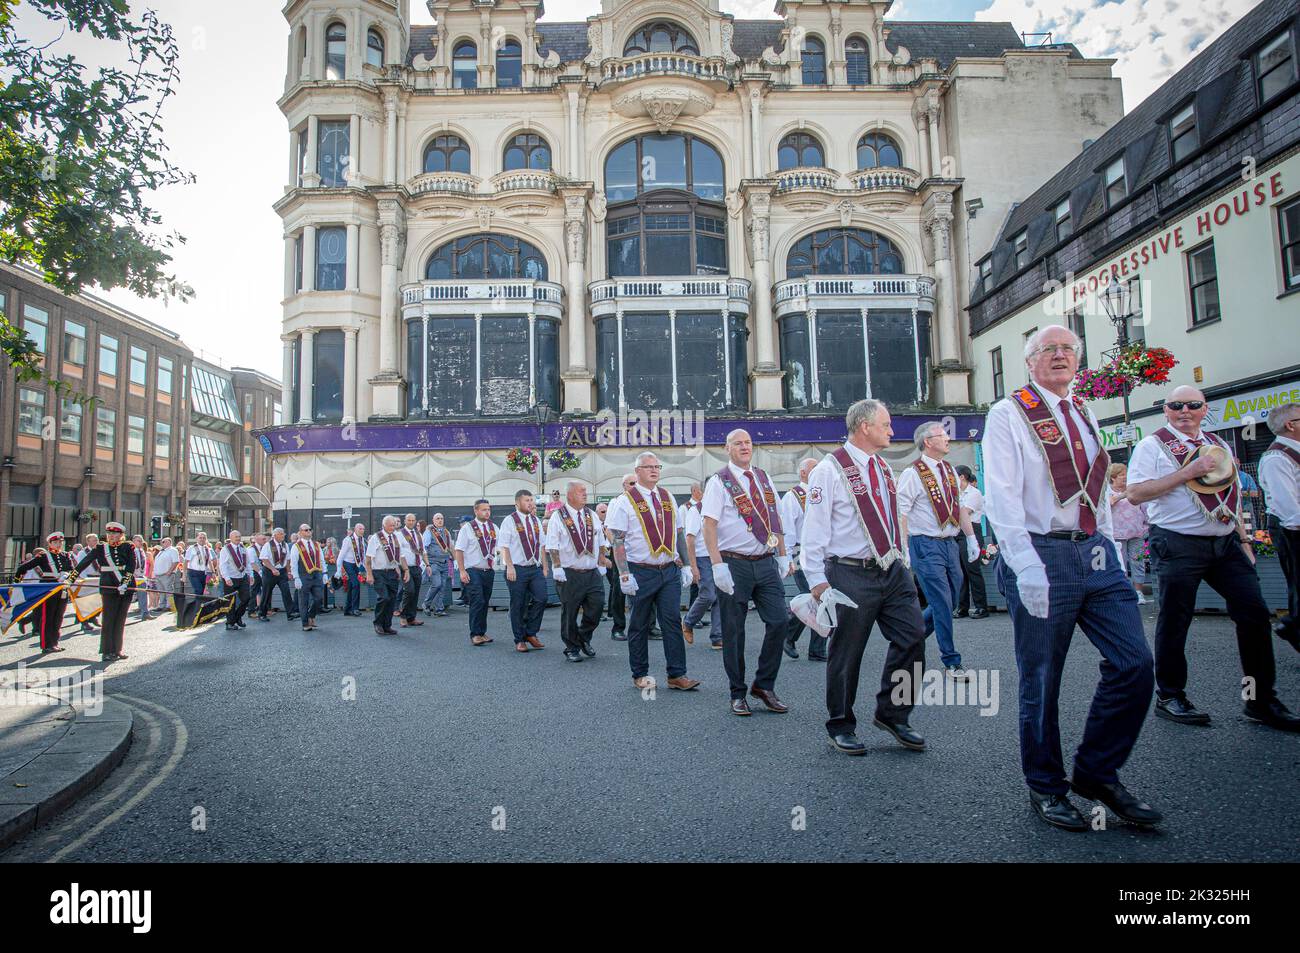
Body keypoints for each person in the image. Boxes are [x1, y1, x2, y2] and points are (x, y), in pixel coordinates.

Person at [984, 325, 1159, 831]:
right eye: (1048, 350)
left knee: (1134, 664)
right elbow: (1001, 495)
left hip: (1095, 554)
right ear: (1030, 361)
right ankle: (1045, 785)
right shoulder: (1008, 412)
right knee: (1042, 679)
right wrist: (1025, 566)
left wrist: (1108, 546)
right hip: (1041, 554)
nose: (1060, 356)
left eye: (1068, 349)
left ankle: (1097, 773)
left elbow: (1096, 487)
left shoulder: (1082, 409)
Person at [1126, 385, 1299, 732]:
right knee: (1176, 620)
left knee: (1252, 615)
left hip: (1224, 544)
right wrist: (1187, 472)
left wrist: (1244, 538)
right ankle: (1171, 696)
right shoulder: (1153, 445)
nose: (1184, 410)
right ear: (1167, 411)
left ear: (1205, 410)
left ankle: (1259, 699)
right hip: (1177, 543)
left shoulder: (1218, 444)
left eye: (1193, 405)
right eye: (1177, 405)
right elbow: (1135, 493)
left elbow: (1230, 497)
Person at [801, 399, 928, 756]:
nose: (892, 431)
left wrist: (902, 559)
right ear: (864, 427)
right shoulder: (829, 470)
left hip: (891, 568)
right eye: (886, 424)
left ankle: (894, 714)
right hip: (849, 572)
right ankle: (840, 724)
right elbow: (815, 527)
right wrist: (817, 581)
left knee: (914, 636)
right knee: (847, 652)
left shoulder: (884, 468)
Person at [703, 429, 791, 715]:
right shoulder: (719, 482)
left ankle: (763, 685)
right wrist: (717, 565)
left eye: (748, 443)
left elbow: (775, 518)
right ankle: (737, 692)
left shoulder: (763, 478)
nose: (744, 447)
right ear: (726, 448)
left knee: (779, 621)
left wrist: (782, 554)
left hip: (765, 561)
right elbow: (709, 525)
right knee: (734, 631)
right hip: (734, 563)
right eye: (738, 443)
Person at [606, 452, 700, 693]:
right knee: (638, 624)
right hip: (641, 570)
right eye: (648, 467)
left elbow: (678, 532)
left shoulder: (667, 496)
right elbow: (617, 540)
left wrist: (687, 563)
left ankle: (677, 674)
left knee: (671, 622)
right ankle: (640, 673)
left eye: (656, 466)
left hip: (667, 569)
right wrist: (624, 574)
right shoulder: (624, 501)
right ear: (637, 472)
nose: (654, 470)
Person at [896, 420, 981, 680]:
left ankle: (908, 642)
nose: (947, 439)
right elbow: (902, 512)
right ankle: (951, 661)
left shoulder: (949, 471)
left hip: (949, 543)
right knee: (942, 602)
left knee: (952, 598)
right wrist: (905, 547)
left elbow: (958, 507)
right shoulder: (913, 473)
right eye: (942, 435)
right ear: (927, 442)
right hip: (925, 544)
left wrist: (971, 539)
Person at [546, 481, 606, 662]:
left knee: (596, 607)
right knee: (570, 612)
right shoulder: (558, 516)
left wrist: (602, 560)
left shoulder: (591, 515)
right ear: (570, 495)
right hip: (569, 572)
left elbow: (601, 540)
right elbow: (552, 544)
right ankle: (571, 647)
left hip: (591, 571)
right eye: (581, 492)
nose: (585, 494)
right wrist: (557, 567)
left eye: (585, 491)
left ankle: (583, 637)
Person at [1258, 401, 1300, 653]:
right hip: (1291, 529)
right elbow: (1288, 507)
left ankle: (1293, 623)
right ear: (1290, 425)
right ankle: (1294, 624)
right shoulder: (1276, 457)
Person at [70, 522, 137, 662]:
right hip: (109, 586)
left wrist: (125, 582)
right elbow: (85, 562)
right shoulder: (101, 548)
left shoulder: (128, 546)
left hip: (126, 586)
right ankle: (107, 651)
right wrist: (71, 578)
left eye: (115, 534)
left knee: (120, 619)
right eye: (110, 534)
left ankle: (117, 649)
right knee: (108, 619)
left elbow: (131, 566)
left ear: (121, 535)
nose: (112, 536)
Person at [779, 458, 825, 660]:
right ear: (803, 473)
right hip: (801, 552)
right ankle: (788, 635)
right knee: (813, 596)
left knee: (823, 598)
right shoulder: (793, 496)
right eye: (814, 468)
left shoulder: (822, 493)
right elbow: (787, 528)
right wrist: (786, 556)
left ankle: (817, 648)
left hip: (823, 553)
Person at [497, 490, 549, 653]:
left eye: (532, 500)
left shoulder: (535, 520)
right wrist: (509, 566)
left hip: (534, 568)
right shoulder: (509, 521)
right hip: (517, 568)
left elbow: (542, 545)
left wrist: (545, 566)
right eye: (527, 500)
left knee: (542, 598)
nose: (531, 503)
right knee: (518, 604)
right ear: (517, 503)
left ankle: (531, 633)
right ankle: (519, 639)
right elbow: (504, 545)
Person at [12, 532, 74, 653]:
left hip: (62, 589)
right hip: (48, 589)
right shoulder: (44, 556)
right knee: (48, 617)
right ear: (50, 543)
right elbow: (22, 568)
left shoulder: (66, 555)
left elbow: (72, 570)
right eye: (55, 542)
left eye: (60, 542)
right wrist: (16, 584)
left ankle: (54, 642)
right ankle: (46, 645)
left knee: (58, 617)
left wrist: (67, 576)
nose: (58, 545)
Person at [682, 480, 723, 651]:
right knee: (708, 595)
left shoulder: (720, 509)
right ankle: (688, 621)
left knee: (720, 597)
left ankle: (717, 637)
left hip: (718, 557)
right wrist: (693, 566)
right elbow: (689, 540)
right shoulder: (695, 510)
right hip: (702, 558)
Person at [454, 501, 497, 646]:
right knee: (477, 600)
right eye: (484, 510)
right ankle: (475, 633)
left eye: (489, 509)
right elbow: (459, 550)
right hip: (473, 570)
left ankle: (482, 631)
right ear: (476, 511)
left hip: (488, 570)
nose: (487, 512)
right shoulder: (467, 528)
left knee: (484, 601)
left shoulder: (493, 527)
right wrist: (461, 570)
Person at [1107, 463, 1149, 604]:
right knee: (1121, 564)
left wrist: (1146, 526)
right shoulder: (1107, 492)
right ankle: (1124, 591)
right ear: (1113, 478)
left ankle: (1138, 592)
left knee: (1138, 563)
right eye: (1121, 474)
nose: (1125, 477)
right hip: (1117, 534)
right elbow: (1108, 505)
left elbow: (1145, 508)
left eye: (1126, 474)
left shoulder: (1134, 491)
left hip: (1136, 533)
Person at [602, 475, 636, 641]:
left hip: (639, 553)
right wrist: (617, 547)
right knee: (619, 589)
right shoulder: (617, 502)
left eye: (637, 483)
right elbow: (608, 528)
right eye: (632, 483)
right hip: (621, 552)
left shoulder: (644, 501)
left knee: (646, 588)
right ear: (624, 485)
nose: (635, 486)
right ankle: (618, 627)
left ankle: (649, 626)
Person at [955, 466, 991, 619]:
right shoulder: (956, 493)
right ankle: (962, 607)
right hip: (957, 532)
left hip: (971, 531)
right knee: (960, 572)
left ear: (962, 477)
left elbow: (964, 513)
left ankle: (981, 606)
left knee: (973, 570)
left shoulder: (974, 493)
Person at [366, 515, 410, 636]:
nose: (393, 527)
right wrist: (369, 574)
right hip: (379, 572)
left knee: (391, 599)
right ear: (384, 525)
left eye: (394, 525)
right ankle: (378, 623)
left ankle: (387, 625)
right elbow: (368, 558)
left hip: (392, 572)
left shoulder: (396, 538)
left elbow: (401, 556)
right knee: (383, 597)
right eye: (391, 525)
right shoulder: (376, 538)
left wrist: (406, 570)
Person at [288, 524, 326, 632]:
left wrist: (325, 573)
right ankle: (305, 623)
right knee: (303, 600)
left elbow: (322, 560)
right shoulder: (297, 546)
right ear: (300, 532)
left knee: (319, 598)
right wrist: (296, 577)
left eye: (310, 529)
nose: (309, 531)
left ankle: (311, 615)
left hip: (317, 575)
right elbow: (293, 563)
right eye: (306, 530)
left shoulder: (316, 544)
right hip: (303, 576)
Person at [258, 527, 297, 622]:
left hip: (282, 571)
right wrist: (272, 569)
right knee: (266, 593)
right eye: (281, 534)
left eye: (283, 533)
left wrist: (288, 571)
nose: (283, 535)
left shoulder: (285, 545)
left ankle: (290, 613)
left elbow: (288, 559)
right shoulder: (268, 545)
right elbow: (264, 559)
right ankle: (262, 613)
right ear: (275, 535)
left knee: (286, 592)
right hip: (269, 572)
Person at [398, 513, 430, 628]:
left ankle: (411, 617)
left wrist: (427, 565)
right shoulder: (400, 534)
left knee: (416, 592)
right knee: (409, 591)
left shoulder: (419, 535)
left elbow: (423, 551)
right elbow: (399, 553)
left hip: (417, 567)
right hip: (405, 567)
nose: (411, 522)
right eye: (409, 520)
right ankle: (403, 616)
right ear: (405, 521)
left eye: (413, 520)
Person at [218, 530, 253, 631]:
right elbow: (222, 565)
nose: (238, 538)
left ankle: (237, 617)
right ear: (231, 538)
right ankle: (230, 623)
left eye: (239, 536)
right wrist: (226, 578)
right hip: (231, 578)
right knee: (230, 602)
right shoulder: (225, 549)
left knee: (246, 598)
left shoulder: (243, 548)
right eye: (236, 537)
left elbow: (248, 562)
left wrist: (250, 575)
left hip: (242, 577)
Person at [421, 514, 454, 616]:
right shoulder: (429, 532)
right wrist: (426, 564)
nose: (440, 520)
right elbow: (424, 548)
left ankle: (439, 609)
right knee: (437, 584)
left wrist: (454, 559)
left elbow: (450, 547)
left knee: (442, 586)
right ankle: (426, 604)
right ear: (433, 520)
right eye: (437, 519)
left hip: (444, 562)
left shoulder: (446, 532)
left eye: (441, 519)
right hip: (433, 562)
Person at [336, 523, 368, 617]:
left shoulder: (362, 540)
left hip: (356, 564)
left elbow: (363, 555)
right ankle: (355, 609)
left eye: (363, 529)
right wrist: (338, 570)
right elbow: (341, 555)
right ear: (356, 530)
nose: (362, 531)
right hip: (348, 563)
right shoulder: (348, 540)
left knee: (351, 586)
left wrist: (366, 568)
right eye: (360, 529)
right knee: (356, 584)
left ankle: (347, 609)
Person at [78, 533, 100, 634]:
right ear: (88, 542)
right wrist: (84, 578)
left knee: (96, 600)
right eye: (93, 540)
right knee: (86, 601)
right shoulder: (83, 553)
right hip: (88, 577)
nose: (96, 541)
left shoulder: (100, 551)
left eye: (96, 539)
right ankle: (84, 621)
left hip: (98, 576)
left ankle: (93, 617)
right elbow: (81, 566)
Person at [185, 532, 215, 606]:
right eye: (200, 537)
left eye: (204, 538)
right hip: (193, 572)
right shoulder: (191, 548)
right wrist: (183, 575)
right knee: (198, 590)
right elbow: (185, 561)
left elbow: (210, 561)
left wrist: (213, 572)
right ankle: (197, 607)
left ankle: (198, 605)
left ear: (206, 539)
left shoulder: (207, 549)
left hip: (203, 573)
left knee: (201, 591)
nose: (202, 539)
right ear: (197, 538)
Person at [131, 534, 153, 621]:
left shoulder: (142, 551)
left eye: (141, 541)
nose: (140, 542)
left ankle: (145, 612)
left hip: (141, 576)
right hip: (132, 575)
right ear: (133, 541)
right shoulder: (131, 550)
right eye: (138, 540)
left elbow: (143, 564)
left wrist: (145, 574)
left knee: (143, 594)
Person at [246, 534, 265, 611]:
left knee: (264, 591)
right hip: (255, 572)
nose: (265, 540)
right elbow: (252, 563)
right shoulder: (252, 549)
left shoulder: (262, 548)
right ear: (257, 540)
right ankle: (251, 610)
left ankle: (263, 609)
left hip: (261, 572)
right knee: (254, 591)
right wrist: (260, 572)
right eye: (263, 539)